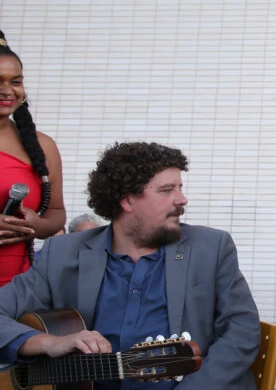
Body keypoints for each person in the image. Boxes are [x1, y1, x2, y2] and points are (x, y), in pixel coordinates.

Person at [0, 141, 261, 389]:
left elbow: (242, 332)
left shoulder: (211, 247)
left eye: (180, 187)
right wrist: (47, 342)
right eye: (167, 190)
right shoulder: (64, 253)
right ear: (126, 200)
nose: (182, 199)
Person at [0, 30, 66, 286]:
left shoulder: (42, 145)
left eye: (15, 81)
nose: (7, 91)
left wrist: (37, 225)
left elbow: (57, 213)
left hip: (19, 289)